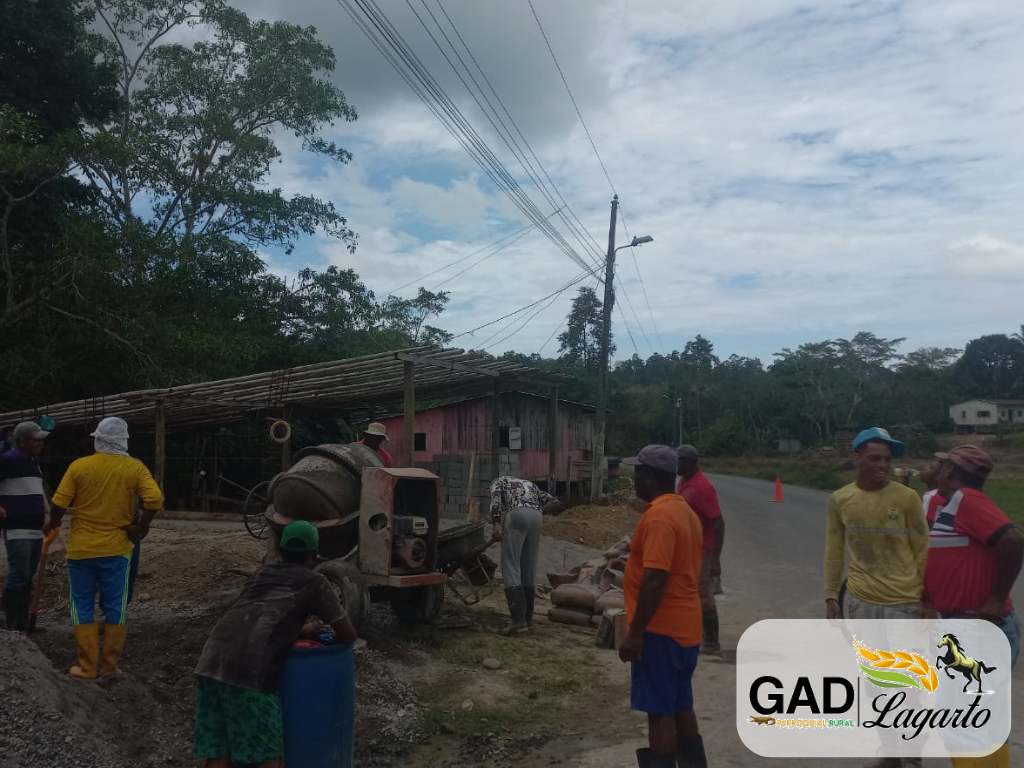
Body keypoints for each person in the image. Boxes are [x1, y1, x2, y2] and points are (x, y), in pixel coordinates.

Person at [193, 520, 357, 768]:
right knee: (270, 759)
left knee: (220, 751)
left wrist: (301, 630)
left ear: (280, 549)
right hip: (247, 672)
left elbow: (257, 619)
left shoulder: (262, 573)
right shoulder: (315, 582)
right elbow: (348, 634)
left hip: (211, 660)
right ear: (315, 553)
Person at [46, 417, 164, 679]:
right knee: (115, 606)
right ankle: (110, 667)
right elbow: (154, 499)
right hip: (116, 551)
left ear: (98, 440)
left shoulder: (79, 466)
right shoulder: (135, 468)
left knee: (81, 604)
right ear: (124, 441)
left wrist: (53, 523)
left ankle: (87, 667)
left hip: (80, 551)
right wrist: (141, 527)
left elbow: (59, 503)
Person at [619, 445, 706, 768]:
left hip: (660, 632)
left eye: (637, 472)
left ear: (650, 476)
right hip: (686, 630)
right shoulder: (685, 513)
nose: (634, 479)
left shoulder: (659, 517)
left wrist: (636, 634)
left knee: (659, 713)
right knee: (681, 705)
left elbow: (655, 578)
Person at [824, 427, 929, 623]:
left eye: (887, 459)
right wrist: (831, 595)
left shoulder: (908, 497)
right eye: (875, 458)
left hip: (905, 602)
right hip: (861, 600)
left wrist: (929, 599)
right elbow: (834, 550)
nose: (883, 465)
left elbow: (923, 550)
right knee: (862, 646)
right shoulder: (839, 499)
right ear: (857, 458)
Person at [489, 475, 560, 635]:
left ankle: (517, 621)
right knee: (529, 567)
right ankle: (527, 619)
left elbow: (495, 502)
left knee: (510, 564)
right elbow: (555, 502)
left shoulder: (498, 481)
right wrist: (539, 511)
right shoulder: (531, 485)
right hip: (536, 518)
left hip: (517, 516)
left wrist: (496, 524)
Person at [0, 421, 51, 631]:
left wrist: (48, 515)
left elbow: (38, 491)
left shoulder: (33, 462)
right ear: (22, 441)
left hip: (35, 527)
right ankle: (11, 624)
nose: (40, 443)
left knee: (28, 576)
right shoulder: (7, 460)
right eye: (35, 440)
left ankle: (21, 622)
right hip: (17, 526)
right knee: (19, 575)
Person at [675, 445, 725, 654]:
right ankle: (695, 633)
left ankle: (712, 641)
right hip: (689, 547)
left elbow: (718, 522)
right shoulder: (683, 482)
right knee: (688, 590)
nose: (676, 464)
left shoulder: (703, 488)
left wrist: (715, 558)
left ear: (691, 463)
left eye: (680, 460)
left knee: (704, 593)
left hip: (704, 548)